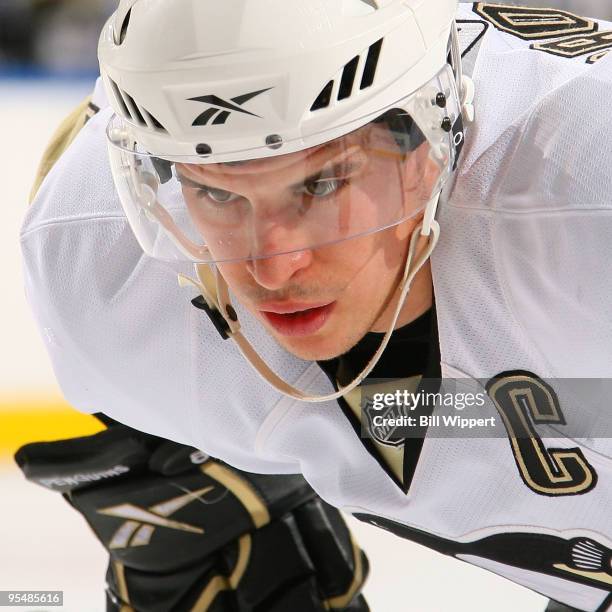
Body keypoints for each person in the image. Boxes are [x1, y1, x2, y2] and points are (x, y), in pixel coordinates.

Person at [17, 1, 612, 610]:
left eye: (321, 184)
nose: (270, 269)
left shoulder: (588, 198)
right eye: (215, 193)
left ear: (430, 144)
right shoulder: (104, 273)